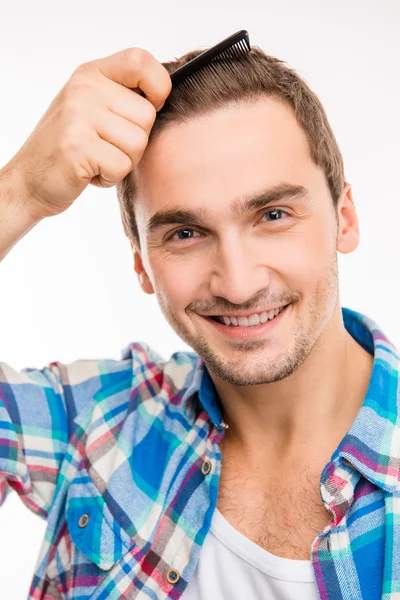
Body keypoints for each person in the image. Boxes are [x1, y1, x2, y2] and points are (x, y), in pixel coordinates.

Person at [0, 40, 397, 600]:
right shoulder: (96, 426)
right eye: (185, 233)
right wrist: (20, 191)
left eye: (273, 215)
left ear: (344, 218)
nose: (238, 284)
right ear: (142, 264)